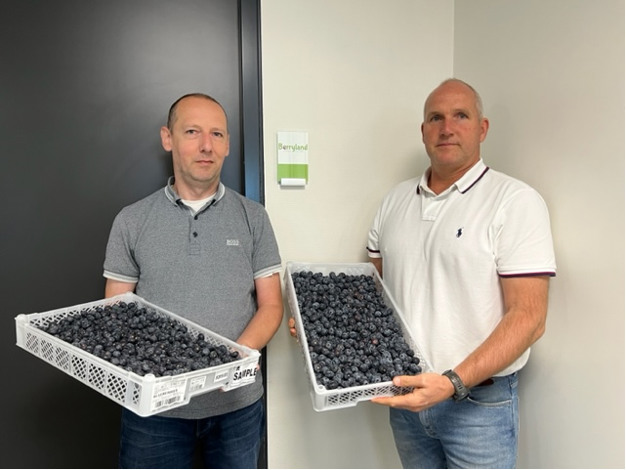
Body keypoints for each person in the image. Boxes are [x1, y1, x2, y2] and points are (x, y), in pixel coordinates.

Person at [366, 78, 556, 468]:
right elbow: (373, 296)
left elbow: (529, 318)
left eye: (461, 116)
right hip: (407, 398)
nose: (447, 128)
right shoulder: (393, 201)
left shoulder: (515, 202)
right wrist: (318, 325)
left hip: (479, 406)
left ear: (482, 128)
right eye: (435, 118)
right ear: (423, 131)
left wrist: (452, 382)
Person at [103, 93, 283, 469]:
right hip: (155, 409)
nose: (206, 146)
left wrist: (234, 358)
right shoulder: (131, 220)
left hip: (237, 405)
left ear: (228, 144)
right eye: (192, 132)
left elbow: (271, 305)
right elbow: (116, 314)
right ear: (167, 138)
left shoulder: (254, 218)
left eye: (217, 134)